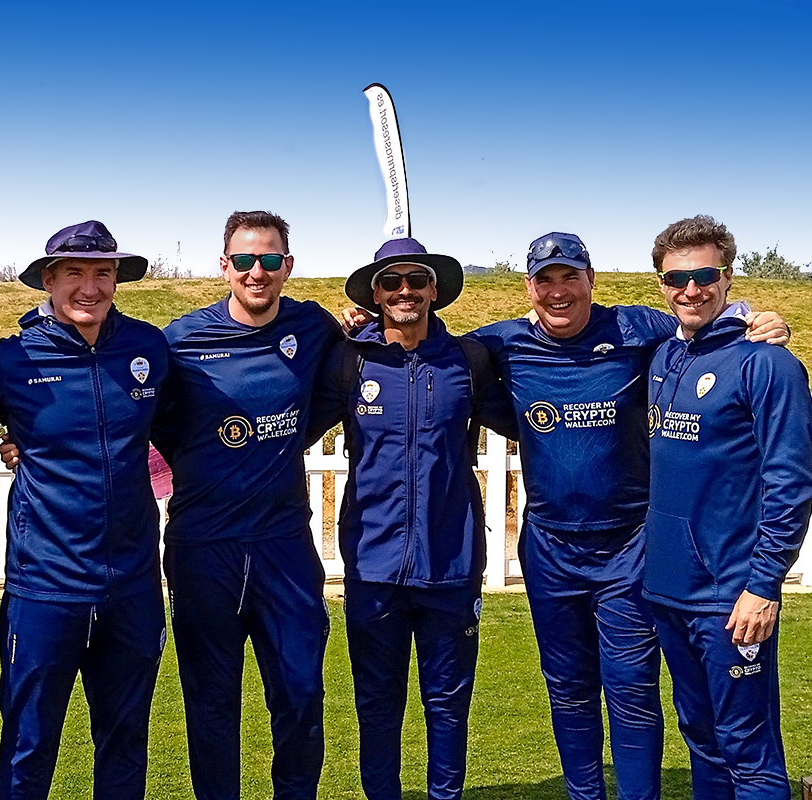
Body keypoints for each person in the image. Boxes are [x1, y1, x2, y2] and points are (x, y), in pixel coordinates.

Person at [465, 233, 789, 800]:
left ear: (592, 280)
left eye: (570, 277)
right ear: (528, 288)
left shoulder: (640, 329)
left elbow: (705, 325)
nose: (559, 291)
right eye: (545, 280)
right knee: (568, 690)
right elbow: (425, 345)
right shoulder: (500, 342)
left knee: (633, 690)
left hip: (630, 549)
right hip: (549, 547)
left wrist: (757, 318)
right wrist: (362, 327)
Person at [311, 237, 515, 799]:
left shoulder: (467, 361)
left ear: (434, 290)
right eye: (392, 282)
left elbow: (535, 422)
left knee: (447, 705)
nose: (406, 291)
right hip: (373, 566)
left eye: (417, 280)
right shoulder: (350, 361)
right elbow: (290, 424)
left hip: (450, 564)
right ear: (375, 294)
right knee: (377, 706)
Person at [152, 210, 342, 800]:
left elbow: (340, 385)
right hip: (203, 547)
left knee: (301, 695)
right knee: (211, 703)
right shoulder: (180, 341)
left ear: (288, 265)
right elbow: (138, 410)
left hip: (283, 546)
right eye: (243, 260)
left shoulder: (314, 327)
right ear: (224, 265)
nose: (256, 272)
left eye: (269, 259)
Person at [0, 220, 168, 800]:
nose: (90, 287)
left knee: (125, 740)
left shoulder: (148, 347)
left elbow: (187, 427)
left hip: (132, 584)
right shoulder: (10, 359)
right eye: (74, 273)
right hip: (46, 586)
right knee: (29, 743)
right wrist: (8, 441)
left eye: (102, 273)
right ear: (48, 280)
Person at [644, 215, 812, 799]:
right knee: (701, 738)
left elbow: (790, 482)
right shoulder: (664, 356)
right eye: (676, 278)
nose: (691, 289)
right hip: (669, 590)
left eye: (705, 275)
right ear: (661, 283)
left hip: (732, 596)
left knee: (748, 748)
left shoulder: (768, 363)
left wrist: (763, 585)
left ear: (728, 276)